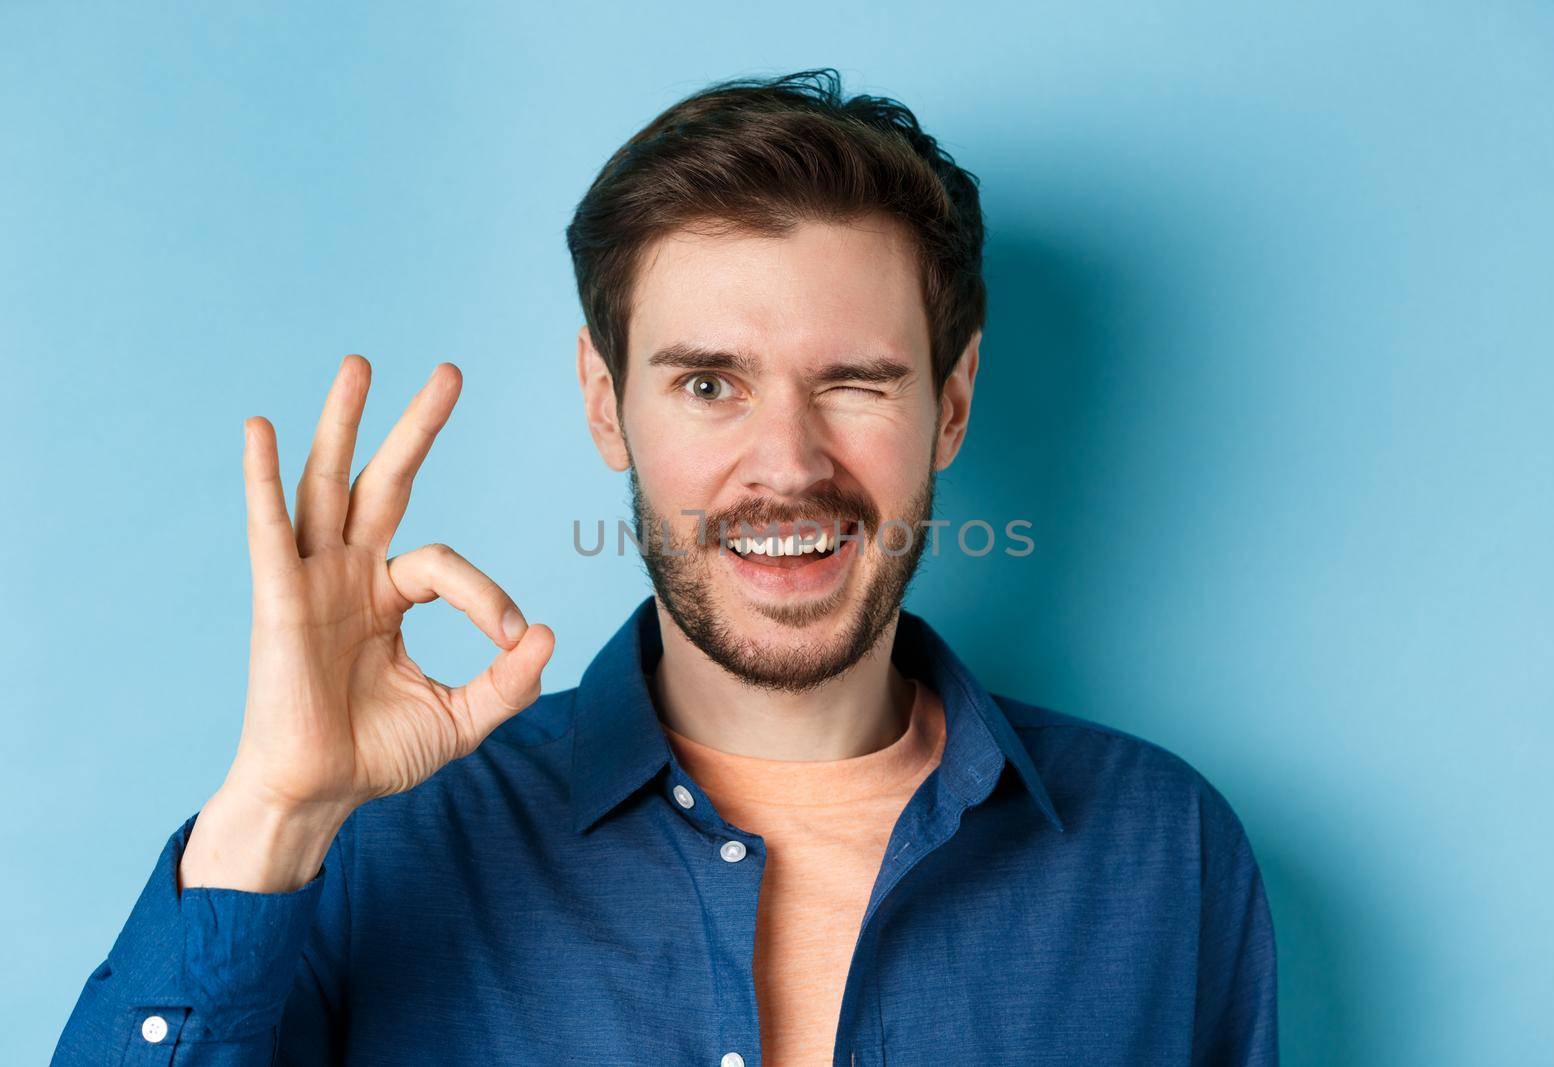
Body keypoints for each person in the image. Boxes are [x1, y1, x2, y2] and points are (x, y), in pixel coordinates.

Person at [51, 68, 1277, 1066]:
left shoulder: (1162, 852)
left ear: (951, 406)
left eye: (855, 381)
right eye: (707, 383)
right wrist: (270, 815)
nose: (786, 464)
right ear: (605, 404)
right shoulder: (376, 847)